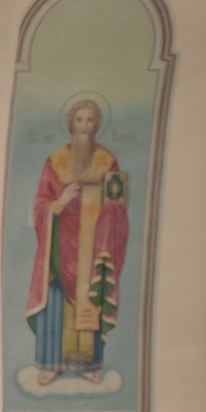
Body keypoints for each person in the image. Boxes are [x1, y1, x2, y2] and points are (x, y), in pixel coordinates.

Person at [24, 97, 126, 385]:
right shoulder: (55, 161)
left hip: (94, 246)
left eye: (90, 120)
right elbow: (40, 204)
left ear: (97, 125)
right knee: (56, 301)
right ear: (71, 124)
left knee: (92, 295)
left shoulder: (107, 161)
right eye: (79, 120)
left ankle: (89, 364)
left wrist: (110, 208)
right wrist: (58, 203)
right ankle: (52, 363)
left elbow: (119, 204)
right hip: (59, 247)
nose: (84, 126)